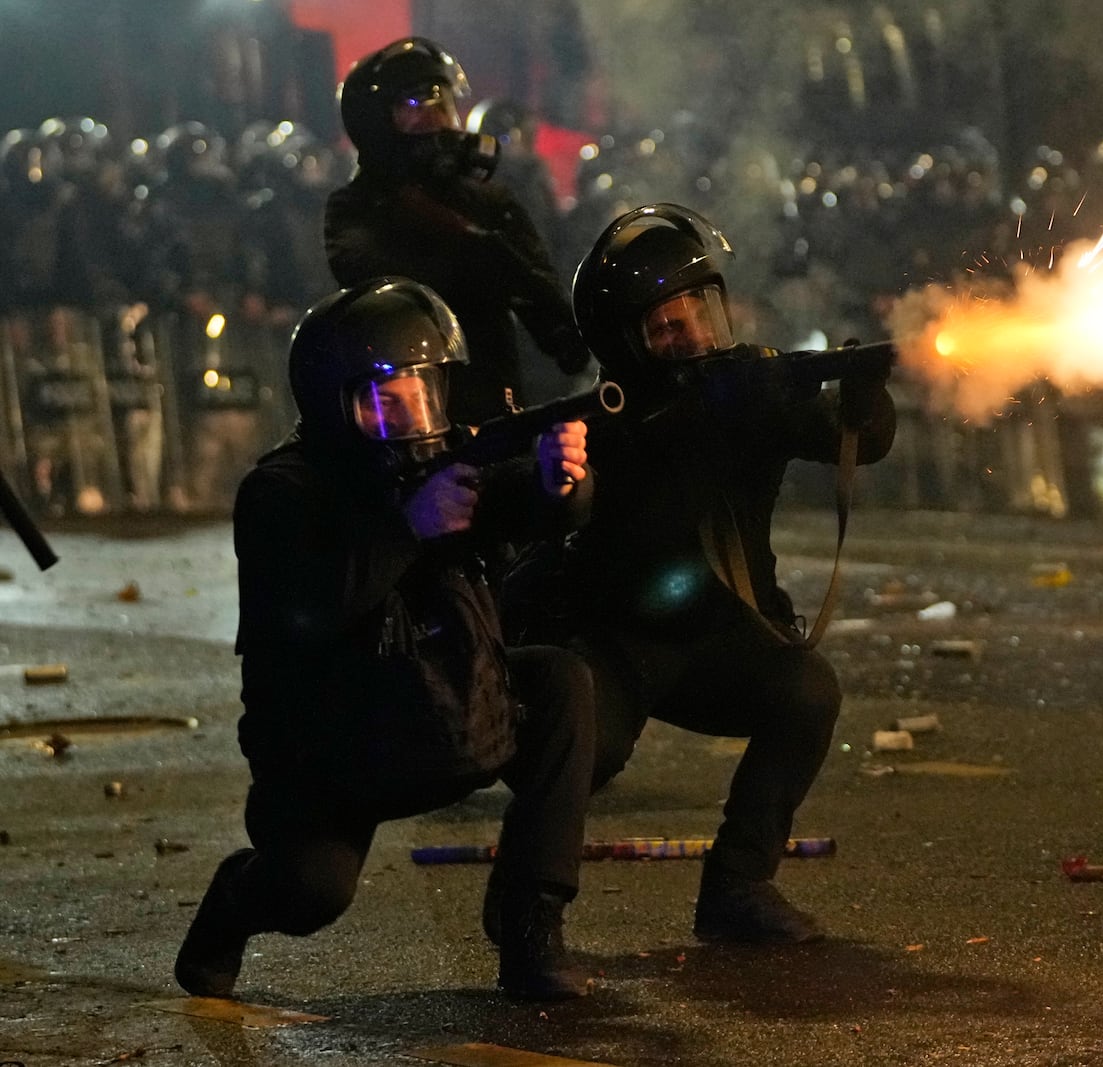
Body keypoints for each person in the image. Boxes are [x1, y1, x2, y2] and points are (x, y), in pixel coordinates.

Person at [173, 278, 597, 1002]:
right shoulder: (281, 491)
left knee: (560, 684)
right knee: (312, 891)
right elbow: (306, 611)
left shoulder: (432, 463)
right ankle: (232, 906)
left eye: (421, 392)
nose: (413, 415)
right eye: (386, 399)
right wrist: (406, 528)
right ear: (336, 404)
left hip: (443, 706)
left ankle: (532, 924)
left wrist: (563, 483)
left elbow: (516, 502)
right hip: (335, 747)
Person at [500, 204, 896, 943]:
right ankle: (529, 914)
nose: (693, 336)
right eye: (666, 327)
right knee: (579, 744)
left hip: (717, 635)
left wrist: (862, 388)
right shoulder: (606, 418)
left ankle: (739, 886)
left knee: (806, 690)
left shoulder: (745, 390)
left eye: (701, 313)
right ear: (627, 343)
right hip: (616, 644)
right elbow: (556, 502)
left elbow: (856, 439)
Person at [325, 38, 591, 425]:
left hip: (497, 400)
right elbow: (382, 288)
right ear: (377, 122)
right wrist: (473, 248)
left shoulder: (487, 198)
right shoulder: (355, 207)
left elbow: (548, 307)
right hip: (407, 414)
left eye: (445, 105)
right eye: (418, 107)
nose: (441, 122)